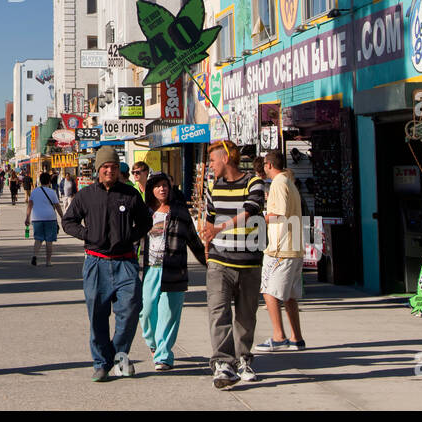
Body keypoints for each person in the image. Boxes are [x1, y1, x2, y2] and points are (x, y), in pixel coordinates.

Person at [61, 146, 152, 381]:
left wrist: (129, 237)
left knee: (131, 311)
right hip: (96, 263)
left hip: (125, 263)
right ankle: (102, 363)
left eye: (113, 166)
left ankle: (118, 355)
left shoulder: (130, 194)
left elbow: (146, 222)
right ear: (98, 170)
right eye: (105, 167)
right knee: (97, 315)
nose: (109, 170)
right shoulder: (86, 195)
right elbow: (68, 221)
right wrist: (86, 234)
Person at [198, 140, 267, 389]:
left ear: (225, 159)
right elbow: (209, 220)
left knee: (246, 316)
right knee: (218, 312)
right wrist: (206, 248)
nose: (211, 167)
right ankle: (223, 363)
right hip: (219, 261)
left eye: (213, 161)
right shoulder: (212, 187)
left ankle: (243, 359)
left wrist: (220, 228)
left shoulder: (253, 182)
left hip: (248, 262)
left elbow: (251, 209)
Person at [140, 171, 205, 371]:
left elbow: (193, 240)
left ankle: (163, 355)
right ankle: (153, 343)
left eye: (165, 185)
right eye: (158, 185)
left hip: (174, 268)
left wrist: (209, 262)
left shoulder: (179, 211)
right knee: (146, 312)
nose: (162, 189)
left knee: (169, 314)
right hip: (149, 269)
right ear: (151, 189)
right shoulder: (144, 211)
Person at [256, 150, 306, 352]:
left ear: (268, 164)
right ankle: (296, 337)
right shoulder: (290, 182)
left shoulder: (278, 183)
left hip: (280, 248)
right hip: (293, 247)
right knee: (289, 295)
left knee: (269, 291)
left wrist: (258, 218)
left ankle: (279, 336)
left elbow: (279, 213)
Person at [25, 171, 64, 266]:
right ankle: (48, 261)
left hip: (37, 218)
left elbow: (29, 205)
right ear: (49, 181)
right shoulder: (52, 192)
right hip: (50, 218)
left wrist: (27, 217)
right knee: (49, 240)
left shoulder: (34, 191)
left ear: (40, 181)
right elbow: (57, 206)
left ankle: (35, 256)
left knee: (38, 239)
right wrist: (62, 217)